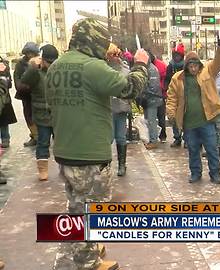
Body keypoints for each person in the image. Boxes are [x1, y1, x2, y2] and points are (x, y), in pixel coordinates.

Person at [47, 18, 148, 269]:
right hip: (91, 153)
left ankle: (86, 246)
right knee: (95, 209)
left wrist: (107, 61)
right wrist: (140, 64)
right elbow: (129, 88)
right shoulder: (92, 67)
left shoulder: (56, 66)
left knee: (76, 205)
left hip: (65, 149)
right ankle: (87, 261)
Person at [166, 35, 220, 184]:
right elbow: (172, 97)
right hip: (189, 123)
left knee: (212, 149)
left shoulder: (207, 71)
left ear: (199, 64)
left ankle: (215, 173)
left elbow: (219, 61)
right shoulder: (177, 78)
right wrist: (171, 113)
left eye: (195, 65)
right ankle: (195, 173)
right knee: (193, 150)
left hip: (207, 120)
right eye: (190, 66)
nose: (193, 68)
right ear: (186, 66)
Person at [20, 44, 59, 181]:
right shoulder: (36, 72)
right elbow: (23, 82)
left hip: (57, 113)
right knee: (43, 142)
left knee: (61, 142)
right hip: (41, 113)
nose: (49, 64)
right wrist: (32, 68)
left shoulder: (59, 70)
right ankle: (42, 169)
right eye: (47, 61)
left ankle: (63, 166)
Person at [107, 44, 131, 176]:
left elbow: (129, 86)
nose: (115, 57)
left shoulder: (125, 69)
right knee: (108, 138)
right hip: (107, 108)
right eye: (112, 55)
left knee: (121, 137)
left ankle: (122, 164)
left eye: (117, 54)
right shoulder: (103, 69)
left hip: (121, 107)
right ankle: (106, 165)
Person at [13, 42, 39, 147]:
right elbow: (17, 77)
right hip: (25, 95)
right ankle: (34, 136)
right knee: (28, 116)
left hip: (37, 94)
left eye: (31, 53)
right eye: (28, 53)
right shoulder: (20, 63)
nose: (30, 55)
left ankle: (42, 136)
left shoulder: (38, 61)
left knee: (40, 115)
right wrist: (21, 87)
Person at [141, 51, 162, 150]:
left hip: (152, 99)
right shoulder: (146, 68)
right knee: (149, 121)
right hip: (148, 99)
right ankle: (151, 138)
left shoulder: (152, 69)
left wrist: (144, 94)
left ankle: (154, 140)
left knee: (152, 120)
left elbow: (154, 86)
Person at [166, 43, 186, 148]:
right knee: (174, 118)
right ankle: (177, 137)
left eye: (178, 55)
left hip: (184, 95)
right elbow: (167, 79)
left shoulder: (186, 66)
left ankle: (187, 139)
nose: (177, 58)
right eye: (175, 55)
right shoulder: (170, 66)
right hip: (174, 94)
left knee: (186, 118)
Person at [0, 56, 17, 149]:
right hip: (5, 99)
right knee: (3, 121)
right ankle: (5, 139)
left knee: (3, 120)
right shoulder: (4, 65)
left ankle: (5, 139)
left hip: (3, 98)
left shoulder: (3, 66)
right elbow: (9, 84)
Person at [153, 53, 168, 143]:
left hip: (159, 94)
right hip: (160, 93)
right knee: (160, 116)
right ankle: (162, 135)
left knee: (157, 116)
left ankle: (160, 135)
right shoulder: (162, 65)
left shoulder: (160, 65)